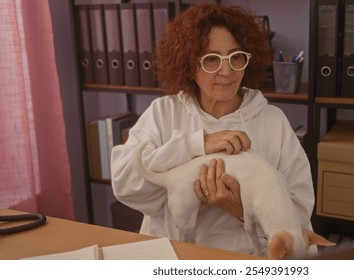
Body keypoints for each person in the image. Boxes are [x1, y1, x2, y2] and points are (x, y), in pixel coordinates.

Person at [111, 3, 315, 256]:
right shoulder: (165, 113)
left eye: (236, 56)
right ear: (188, 64)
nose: (227, 71)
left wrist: (241, 210)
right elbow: (125, 185)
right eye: (211, 59)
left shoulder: (273, 122)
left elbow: (298, 217)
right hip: (173, 255)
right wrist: (196, 145)